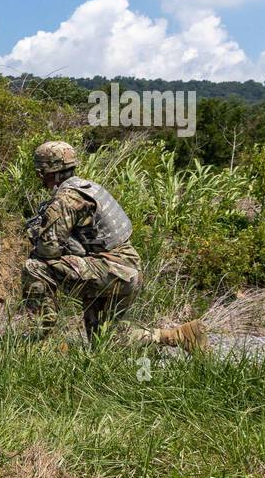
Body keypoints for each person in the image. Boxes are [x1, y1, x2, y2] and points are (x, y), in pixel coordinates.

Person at [22, 141, 206, 350]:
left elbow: (48, 250)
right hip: (125, 269)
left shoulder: (67, 198)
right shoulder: (89, 187)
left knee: (35, 267)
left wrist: (36, 234)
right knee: (106, 341)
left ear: (45, 171)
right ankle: (179, 336)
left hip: (112, 270)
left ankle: (40, 340)